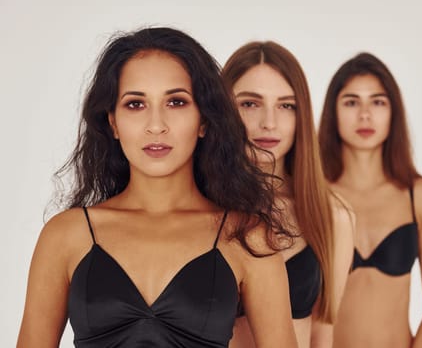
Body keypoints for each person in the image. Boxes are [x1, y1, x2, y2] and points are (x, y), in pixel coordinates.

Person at [16, 27, 299, 348]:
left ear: (204, 120)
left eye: (176, 102)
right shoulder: (66, 236)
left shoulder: (248, 237)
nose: (156, 125)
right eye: (136, 104)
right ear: (112, 122)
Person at [222, 41, 354, 348]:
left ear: (301, 116)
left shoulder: (333, 216)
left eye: (286, 105)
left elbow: (322, 335)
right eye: (250, 104)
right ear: (223, 109)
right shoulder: (198, 208)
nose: (269, 122)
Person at [318, 52, 422, 347]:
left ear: (393, 112)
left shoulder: (420, 195)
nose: (365, 115)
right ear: (333, 112)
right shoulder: (316, 195)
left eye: (377, 102)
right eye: (351, 102)